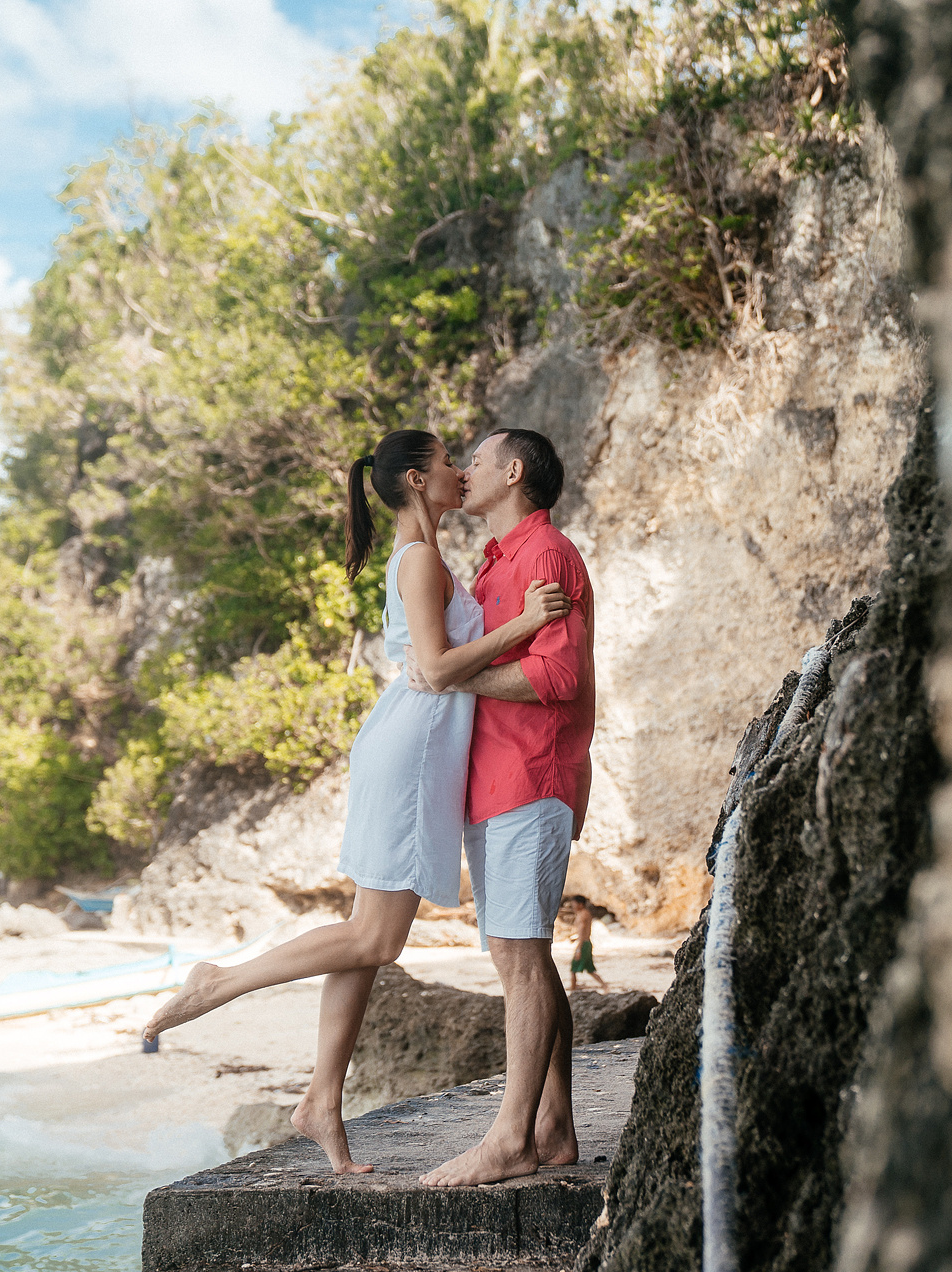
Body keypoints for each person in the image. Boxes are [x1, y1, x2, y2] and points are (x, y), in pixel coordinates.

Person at [140, 427, 570, 1174]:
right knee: (375, 938)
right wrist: (528, 622)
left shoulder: (425, 554)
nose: (460, 471)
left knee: (366, 936)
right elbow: (437, 667)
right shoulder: (421, 558)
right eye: (447, 462)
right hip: (413, 752)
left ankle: (321, 1099)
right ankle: (221, 982)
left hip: (417, 745)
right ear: (415, 480)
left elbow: (438, 664)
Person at [403, 427, 596, 1189]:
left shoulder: (547, 553)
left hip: (531, 775)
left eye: (476, 459)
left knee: (518, 956)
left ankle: (511, 1137)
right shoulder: (494, 563)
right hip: (494, 781)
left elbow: (557, 676)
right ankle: (553, 1126)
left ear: (513, 472)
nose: (466, 469)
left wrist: (453, 676)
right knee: (525, 957)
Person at [566, 895, 609, 992]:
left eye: (574, 904)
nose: (573, 906)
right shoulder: (584, 913)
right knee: (589, 969)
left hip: (584, 944)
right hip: (586, 942)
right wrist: (576, 938)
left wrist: (578, 948)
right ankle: (604, 985)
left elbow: (582, 930)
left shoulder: (583, 914)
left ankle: (573, 989)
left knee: (574, 967)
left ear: (580, 904)